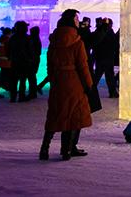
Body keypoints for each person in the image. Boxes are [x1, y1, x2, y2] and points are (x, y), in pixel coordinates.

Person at [40, 9, 93, 161]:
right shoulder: (77, 41)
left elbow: (49, 63)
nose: (78, 21)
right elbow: (83, 66)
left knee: (55, 114)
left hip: (58, 81)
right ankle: (67, 150)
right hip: (74, 82)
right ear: (72, 21)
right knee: (73, 115)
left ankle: (45, 149)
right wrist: (89, 85)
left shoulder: (54, 40)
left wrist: (53, 78)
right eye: (76, 19)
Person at [91, 18, 119, 98]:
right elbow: (114, 44)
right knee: (109, 76)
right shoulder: (110, 32)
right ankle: (112, 92)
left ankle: (90, 91)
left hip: (100, 57)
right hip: (108, 58)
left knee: (97, 75)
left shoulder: (98, 31)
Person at [7, 21, 33, 102]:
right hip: (24, 62)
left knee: (14, 81)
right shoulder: (27, 38)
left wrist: (10, 58)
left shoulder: (12, 38)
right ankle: (21, 96)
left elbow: (8, 50)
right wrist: (30, 59)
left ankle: (13, 97)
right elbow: (30, 50)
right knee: (22, 80)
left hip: (14, 61)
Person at [0, 27, 12, 99]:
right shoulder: (7, 40)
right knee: (2, 78)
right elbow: (9, 51)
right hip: (7, 62)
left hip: (3, 62)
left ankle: (8, 88)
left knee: (3, 77)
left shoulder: (3, 39)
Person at [28, 26, 42, 98]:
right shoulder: (36, 39)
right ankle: (33, 92)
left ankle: (32, 93)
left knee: (31, 76)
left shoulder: (33, 40)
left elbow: (37, 52)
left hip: (33, 60)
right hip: (35, 59)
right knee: (32, 76)